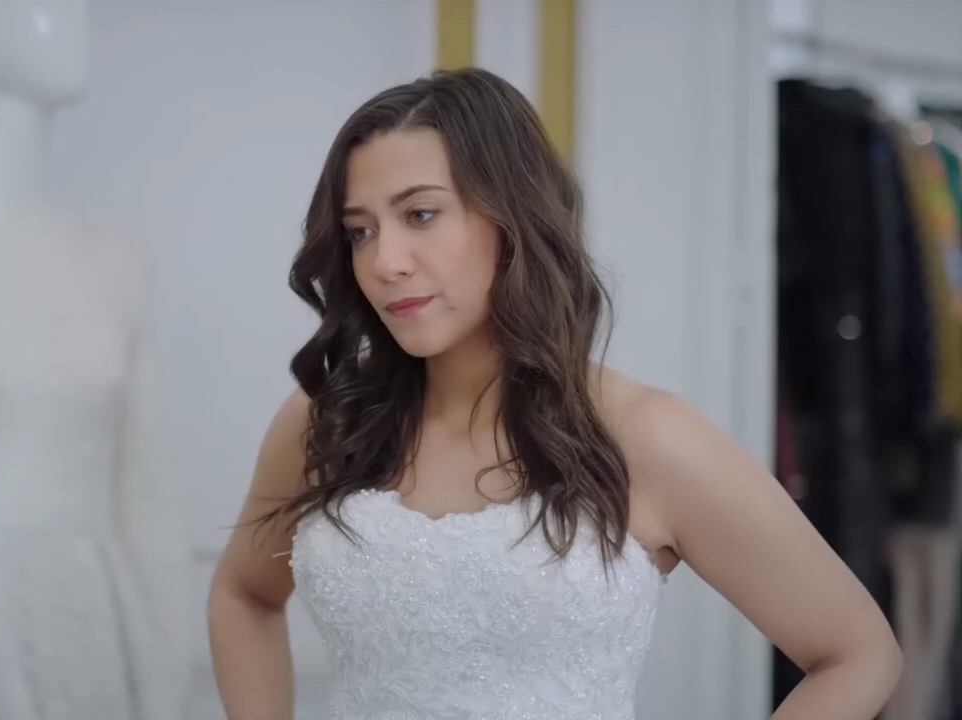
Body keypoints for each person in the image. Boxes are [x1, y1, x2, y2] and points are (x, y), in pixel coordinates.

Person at [207, 68, 901, 720]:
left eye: (419, 214)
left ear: (511, 217)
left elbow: (858, 653)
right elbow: (245, 595)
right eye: (360, 232)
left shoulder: (645, 437)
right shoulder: (330, 421)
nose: (384, 262)